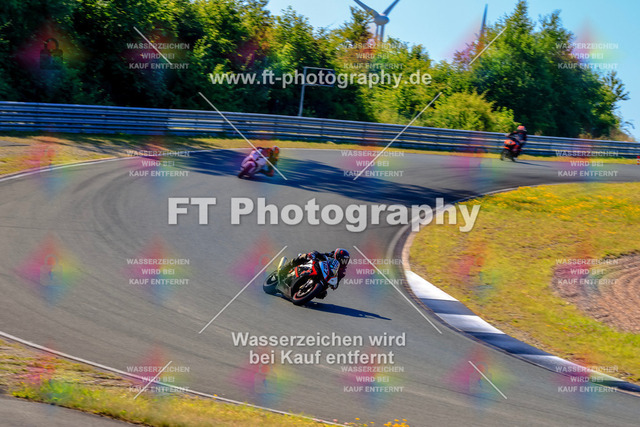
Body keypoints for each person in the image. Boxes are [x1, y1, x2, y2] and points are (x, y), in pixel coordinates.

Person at [278, 248, 350, 299]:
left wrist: (334, 285)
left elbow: (337, 282)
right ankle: (286, 267)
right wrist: (313, 254)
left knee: (322, 295)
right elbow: (319, 254)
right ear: (337, 256)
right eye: (342, 260)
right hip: (317, 266)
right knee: (305, 256)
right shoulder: (330, 255)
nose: (343, 262)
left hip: (325, 277)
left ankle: (307, 291)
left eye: (345, 260)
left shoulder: (342, 271)